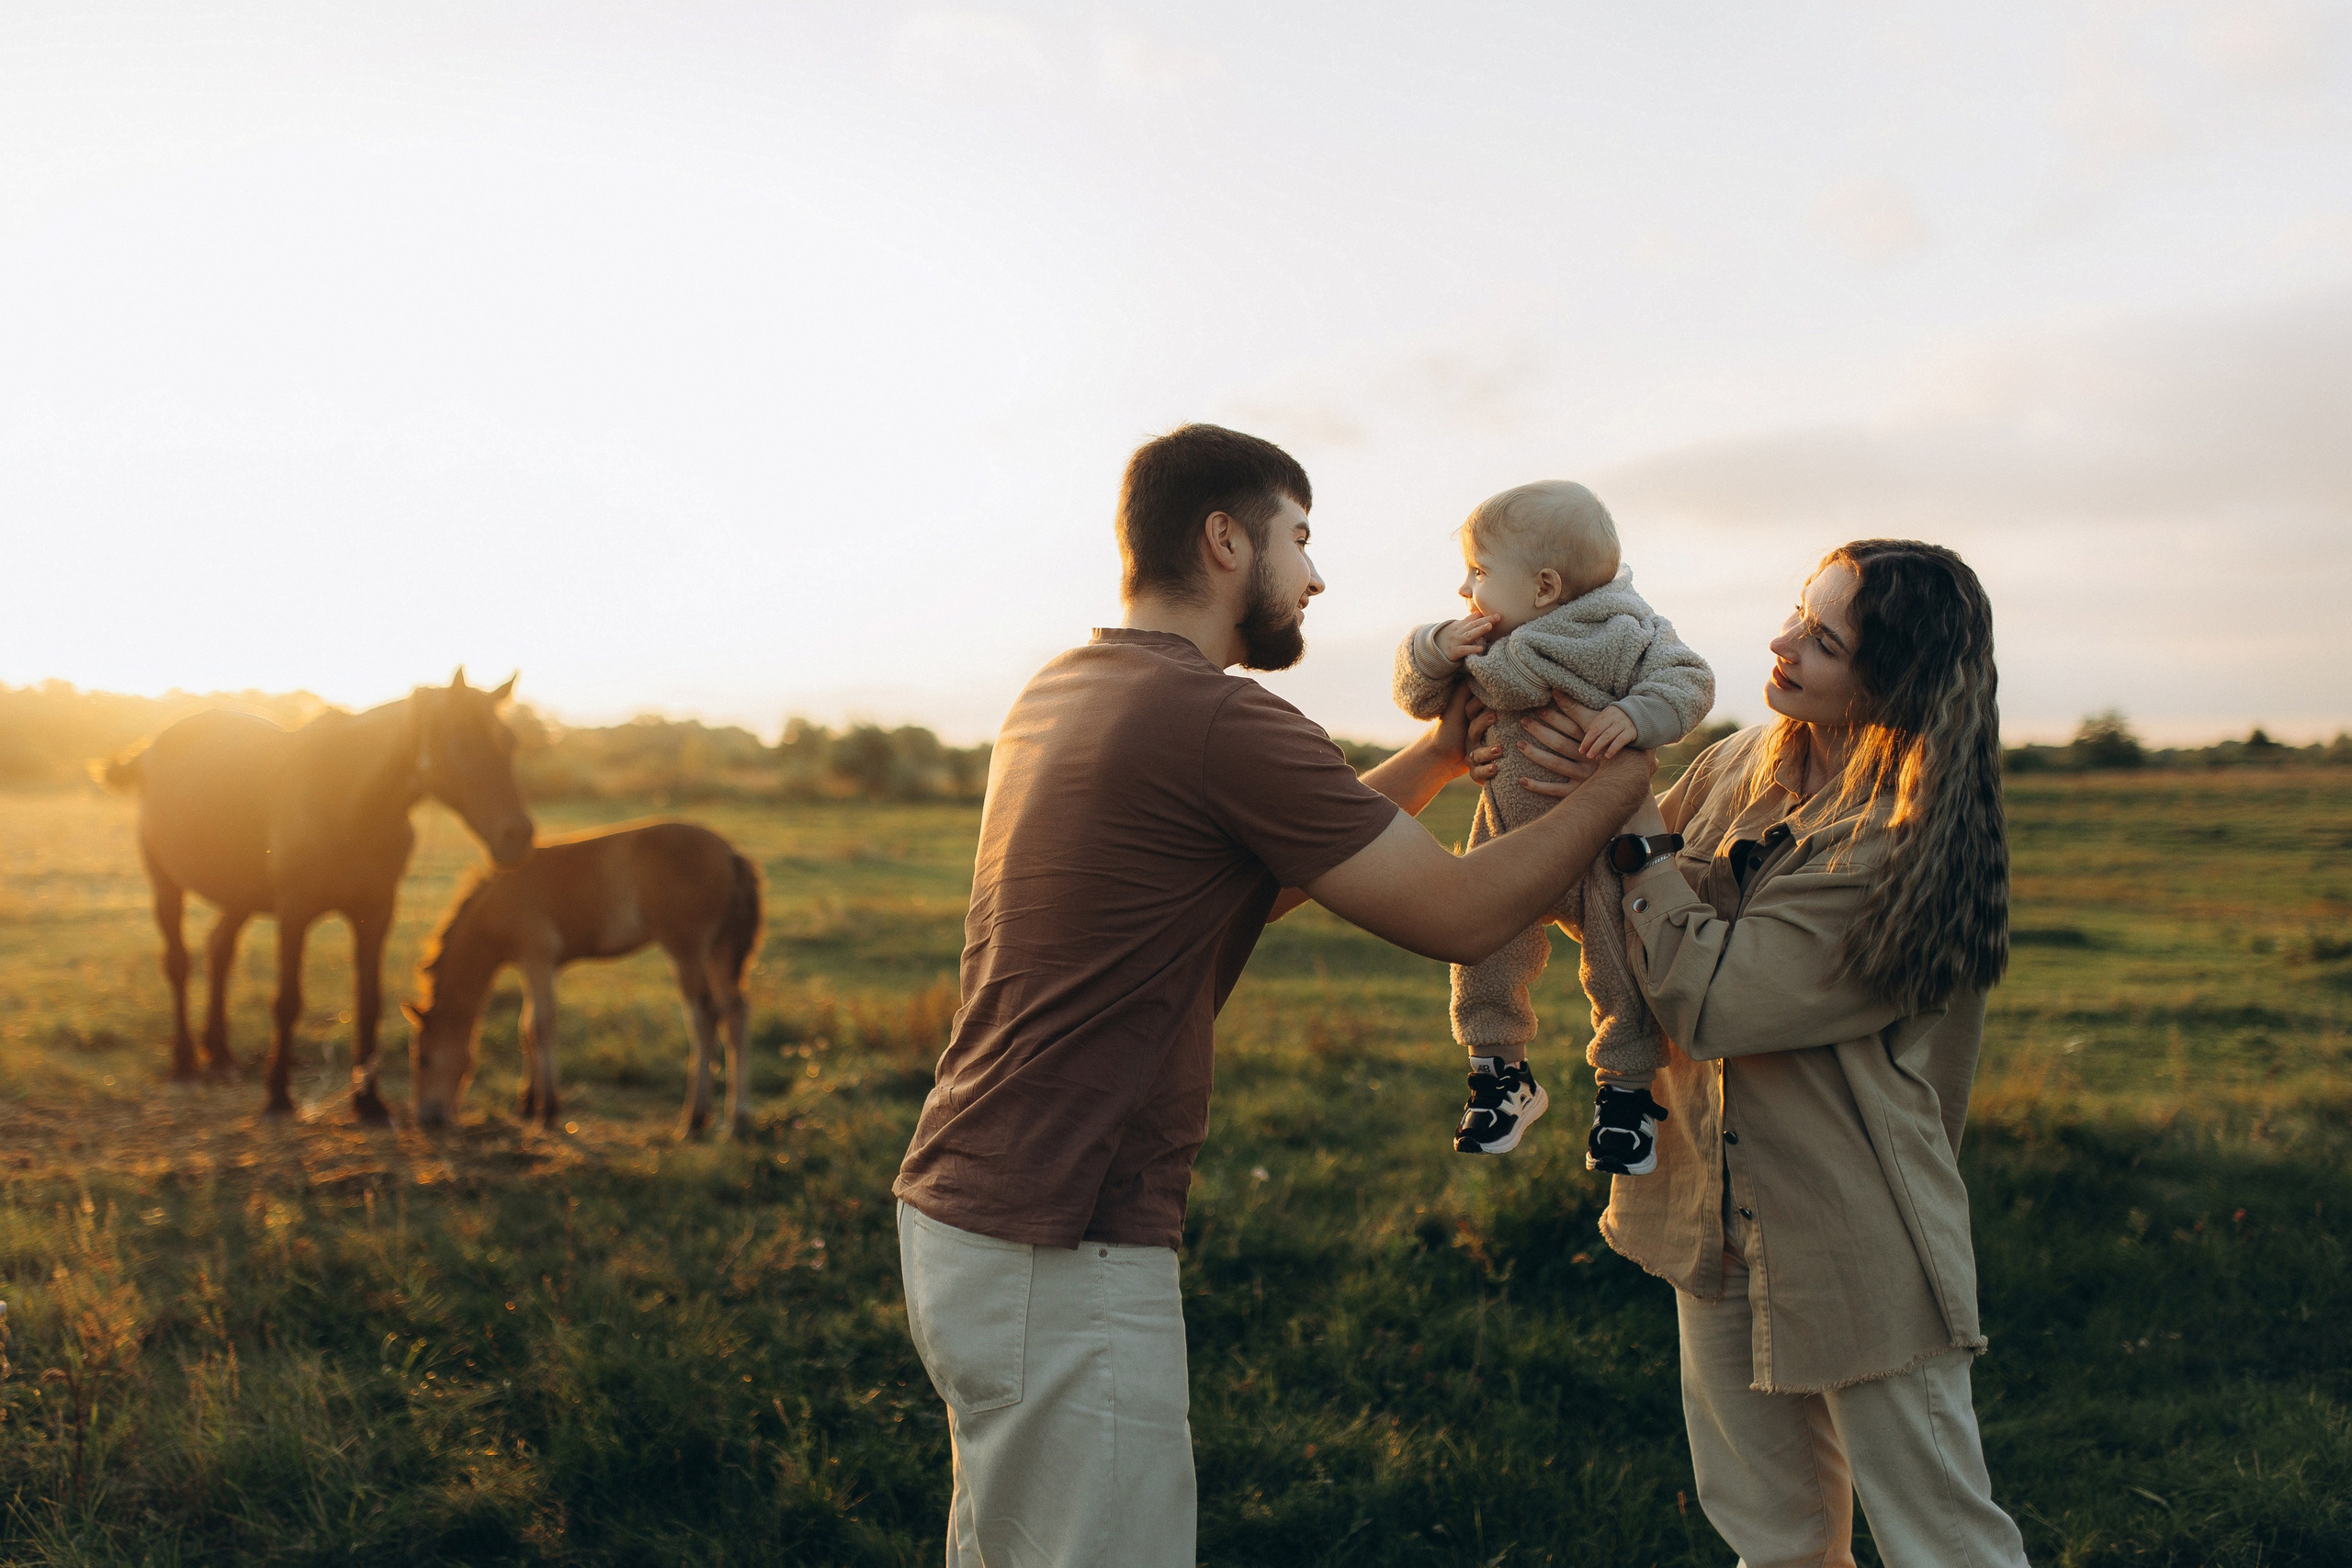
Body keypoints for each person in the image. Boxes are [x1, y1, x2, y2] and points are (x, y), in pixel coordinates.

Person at [890, 424, 1651, 1568]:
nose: (1315, 572)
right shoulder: (1217, 718)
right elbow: (1457, 915)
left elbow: (1240, 874)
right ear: (1223, 539)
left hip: (965, 1209)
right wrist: (1622, 781)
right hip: (1068, 1227)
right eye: (1299, 538)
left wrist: (1441, 757)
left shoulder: (1066, 687)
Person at [1498, 539, 2028, 1566]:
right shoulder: (1744, 760)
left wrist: (1636, 819)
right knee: (1773, 1541)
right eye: (1798, 611)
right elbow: (1619, 915)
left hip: (1852, 1232)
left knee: (1942, 1541)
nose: (1782, 642)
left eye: (1823, 640)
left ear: (1889, 683)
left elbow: (1715, 1005)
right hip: (1708, 1214)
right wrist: (1528, 783)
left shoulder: (1896, 835)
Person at [1391, 479, 1713, 1168]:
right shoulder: (1476, 640)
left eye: (1477, 573)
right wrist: (1431, 647)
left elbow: (1690, 681)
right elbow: (1416, 696)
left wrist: (1636, 716)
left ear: (1543, 586)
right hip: (1506, 836)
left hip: (1602, 849)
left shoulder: (1629, 633)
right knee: (1480, 947)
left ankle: (1626, 1097)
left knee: (1622, 971)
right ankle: (1499, 1075)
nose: (1462, 590)